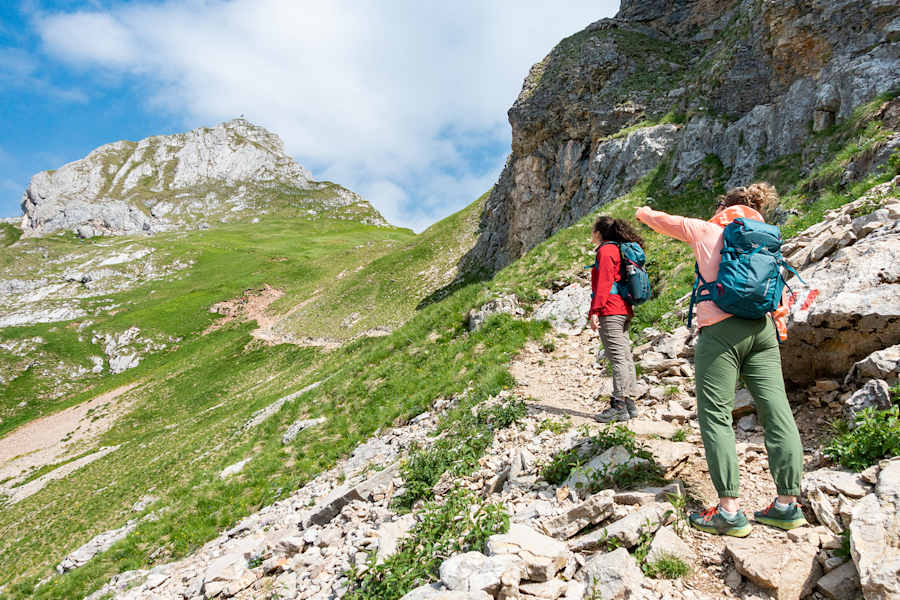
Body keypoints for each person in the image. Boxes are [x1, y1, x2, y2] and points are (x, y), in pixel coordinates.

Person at [635, 183, 806, 537]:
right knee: (777, 412)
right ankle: (787, 505)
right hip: (763, 329)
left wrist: (642, 212)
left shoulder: (707, 230)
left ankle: (728, 510)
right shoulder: (767, 238)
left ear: (723, 207)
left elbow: (662, 221)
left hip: (721, 332)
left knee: (716, 415)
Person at [588, 216, 643, 422]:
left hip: (610, 310)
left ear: (599, 233)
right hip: (624, 308)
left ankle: (618, 404)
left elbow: (603, 283)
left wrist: (595, 311)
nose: (592, 235)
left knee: (617, 358)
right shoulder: (620, 249)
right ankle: (629, 402)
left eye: (593, 231)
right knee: (625, 355)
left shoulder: (605, 251)